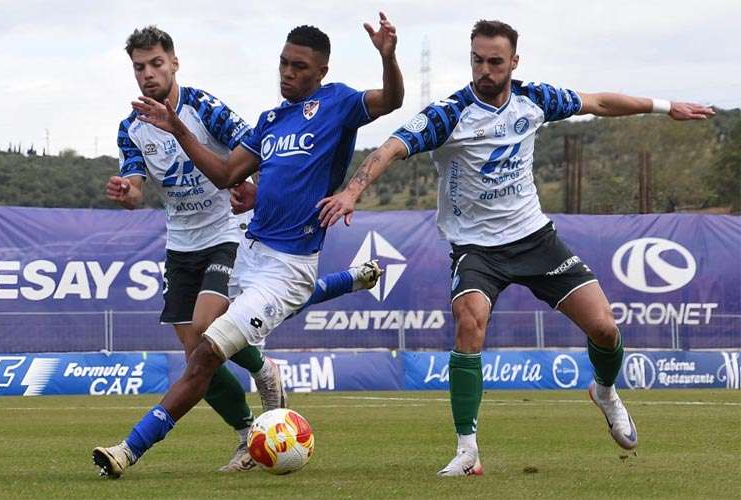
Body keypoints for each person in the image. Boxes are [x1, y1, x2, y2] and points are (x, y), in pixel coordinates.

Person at [317, 19, 714, 477]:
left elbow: (600, 102)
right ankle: (467, 451)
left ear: (514, 63)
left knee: (605, 329)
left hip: (535, 239)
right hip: (476, 250)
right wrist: (352, 192)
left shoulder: (535, 99)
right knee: (470, 323)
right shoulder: (449, 114)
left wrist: (666, 106)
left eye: (495, 62)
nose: (484, 70)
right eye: (477, 60)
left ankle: (604, 391)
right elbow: (389, 148)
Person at [93, 16, 403, 478]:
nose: (287, 73)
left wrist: (388, 56)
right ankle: (348, 285)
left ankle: (129, 448)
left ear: (320, 71)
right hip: (250, 252)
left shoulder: (337, 102)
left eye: (299, 67)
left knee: (207, 351)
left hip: (285, 263)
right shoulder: (271, 121)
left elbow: (392, 100)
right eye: (283, 63)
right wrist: (179, 132)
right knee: (200, 340)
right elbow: (223, 174)